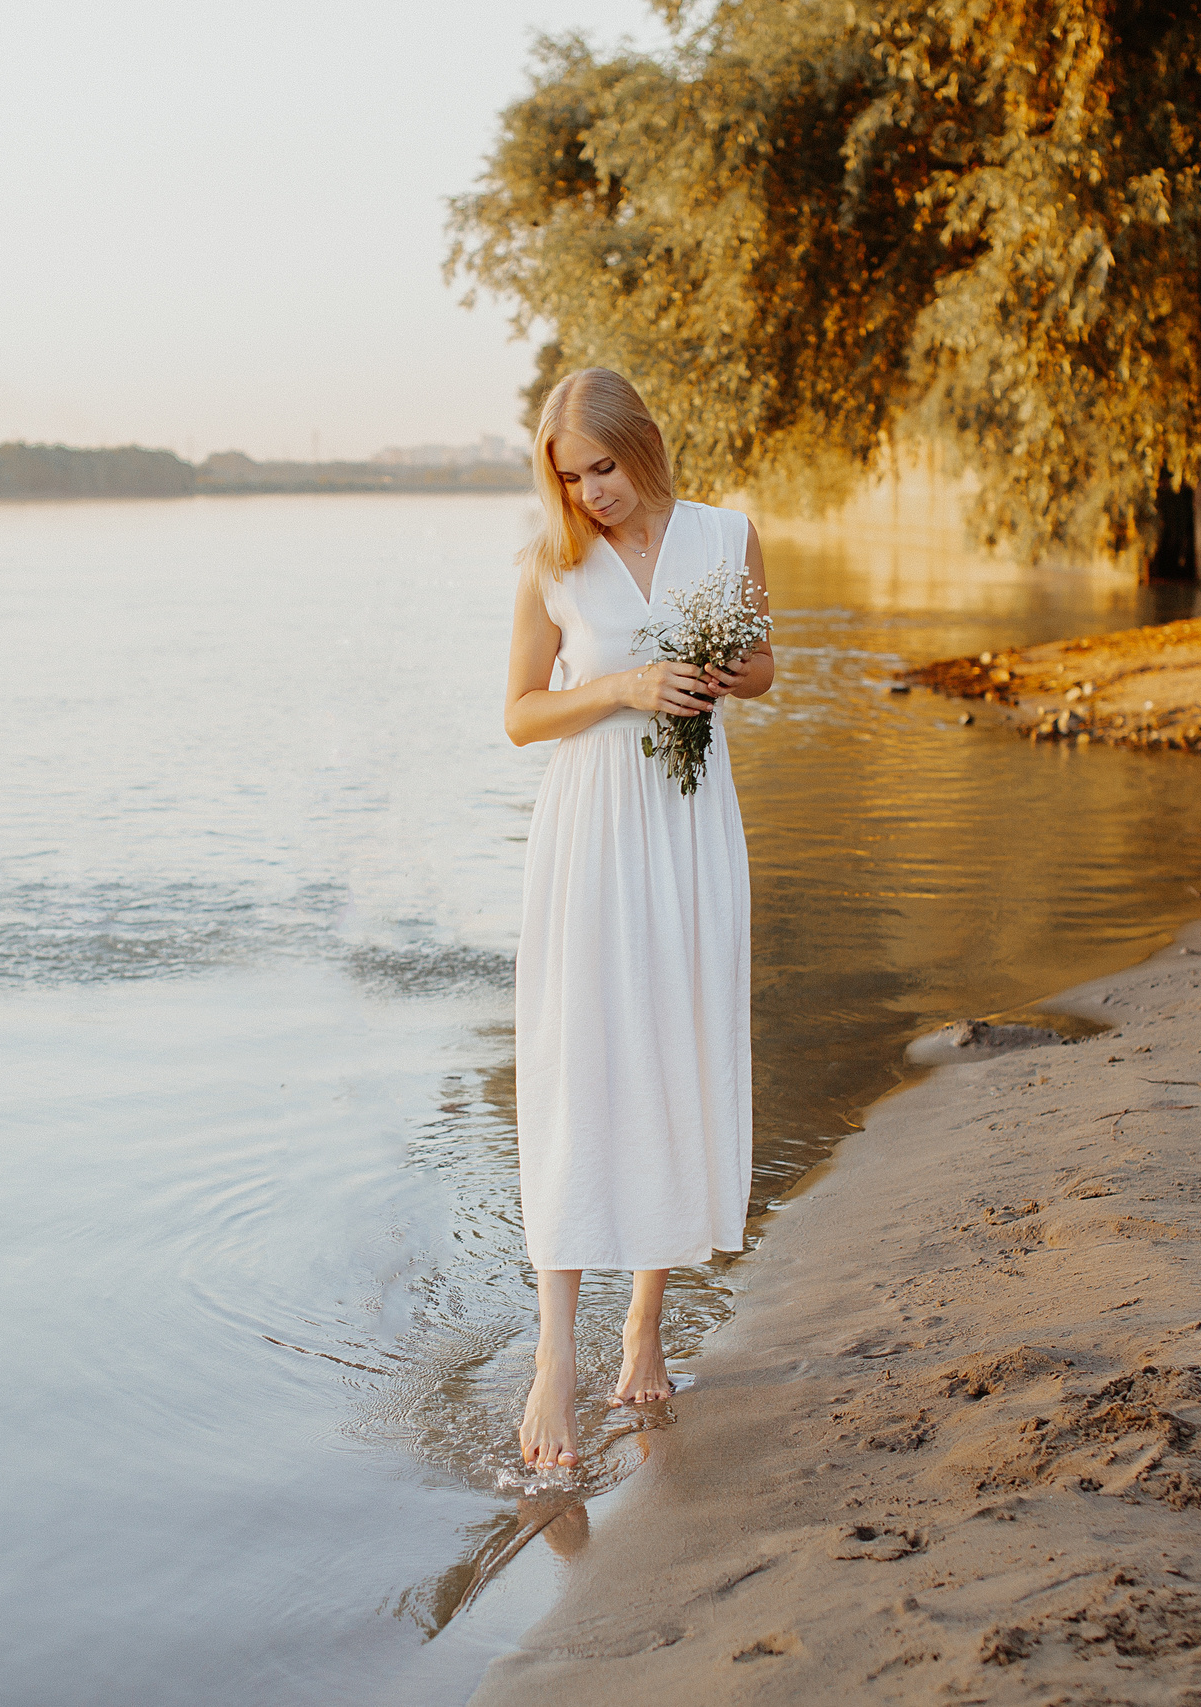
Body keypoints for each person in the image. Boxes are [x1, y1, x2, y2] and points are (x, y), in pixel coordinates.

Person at [500, 368, 772, 1471]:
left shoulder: (727, 535)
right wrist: (621, 687)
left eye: (602, 469)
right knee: (582, 1066)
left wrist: (710, 671)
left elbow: (763, 666)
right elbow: (520, 716)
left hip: (694, 827)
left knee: (676, 1051)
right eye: (570, 478)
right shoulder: (550, 564)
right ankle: (554, 1355)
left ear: (642, 448)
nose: (590, 494)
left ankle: (646, 1323)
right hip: (593, 835)